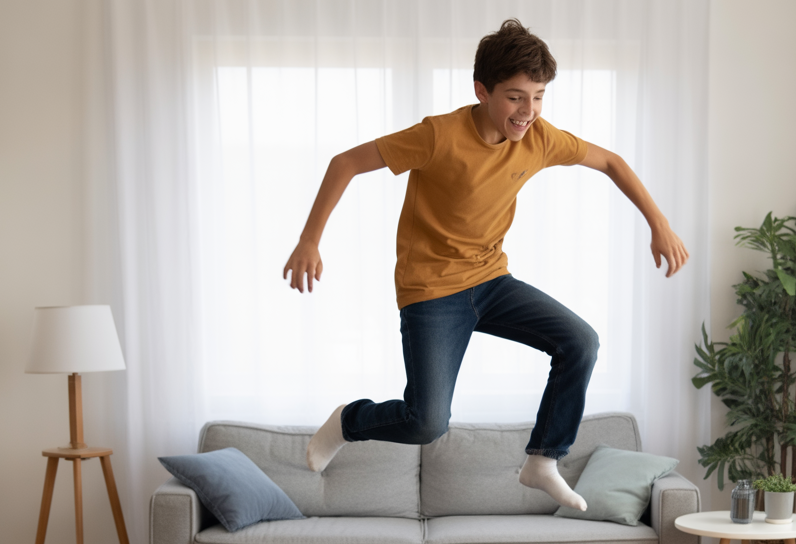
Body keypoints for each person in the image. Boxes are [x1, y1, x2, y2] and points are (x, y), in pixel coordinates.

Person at [282, 19, 688, 511]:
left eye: (538, 97)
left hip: (492, 280)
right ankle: (348, 421)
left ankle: (543, 460)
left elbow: (610, 162)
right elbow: (345, 163)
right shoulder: (438, 136)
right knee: (427, 422)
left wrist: (659, 224)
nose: (528, 111)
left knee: (580, 341)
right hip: (432, 290)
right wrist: (309, 240)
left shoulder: (539, 138)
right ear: (482, 91)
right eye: (515, 97)